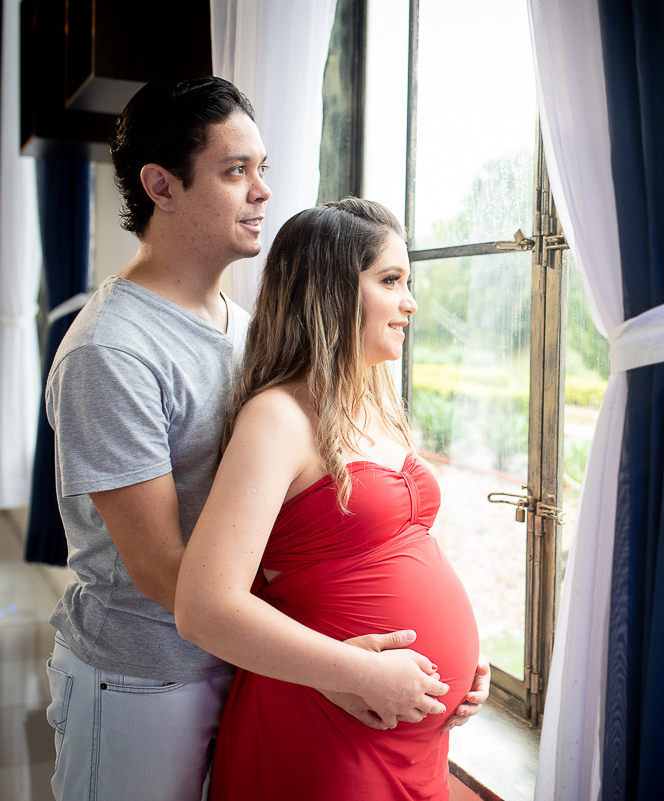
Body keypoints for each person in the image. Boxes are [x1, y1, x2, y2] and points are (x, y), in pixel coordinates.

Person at [43, 77, 484, 801]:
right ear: (162, 185)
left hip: (242, 665)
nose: (262, 193)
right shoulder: (111, 350)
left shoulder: (242, 330)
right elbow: (167, 574)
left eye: (263, 170)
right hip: (146, 679)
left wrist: (323, 661)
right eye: (235, 170)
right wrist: (337, 664)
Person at [174, 199, 481, 800]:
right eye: (391, 281)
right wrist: (364, 673)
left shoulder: (377, 404)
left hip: (411, 737)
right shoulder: (277, 418)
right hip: (327, 727)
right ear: (333, 292)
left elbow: (399, 549)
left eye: (408, 282)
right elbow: (203, 607)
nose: (410, 303)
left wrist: (465, 666)